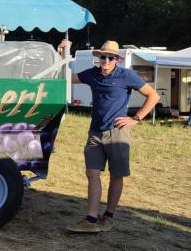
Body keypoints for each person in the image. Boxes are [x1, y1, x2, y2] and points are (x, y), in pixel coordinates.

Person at [59, 39, 160, 233]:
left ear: (116, 59)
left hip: (117, 133)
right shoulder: (92, 74)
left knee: (116, 175)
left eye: (110, 57)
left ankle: (109, 216)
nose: (105, 60)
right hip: (95, 132)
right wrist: (63, 52)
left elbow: (153, 96)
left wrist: (135, 118)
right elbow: (67, 77)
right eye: (102, 56)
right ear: (98, 57)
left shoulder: (126, 75)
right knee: (92, 173)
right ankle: (91, 219)